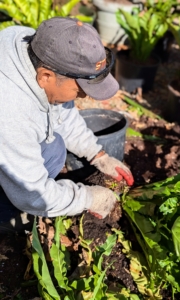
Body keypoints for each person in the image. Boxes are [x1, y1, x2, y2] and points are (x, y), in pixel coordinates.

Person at [0, 17, 134, 234]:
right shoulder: (11, 112)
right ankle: (6, 217)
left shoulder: (37, 50)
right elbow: (34, 194)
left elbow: (63, 112)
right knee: (31, 186)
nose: (82, 96)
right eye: (79, 90)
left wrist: (98, 155)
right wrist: (87, 198)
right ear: (45, 76)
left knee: (53, 150)